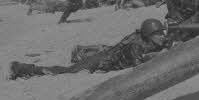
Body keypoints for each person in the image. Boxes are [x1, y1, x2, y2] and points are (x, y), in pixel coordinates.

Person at [10, 19, 169, 79]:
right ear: (149, 35)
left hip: (106, 55)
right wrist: (159, 55)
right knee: (65, 72)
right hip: (99, 62)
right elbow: (139, 66)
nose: (162, 36)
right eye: (159, 34)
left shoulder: (146, 40)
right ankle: (23, 68)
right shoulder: (136, 45)